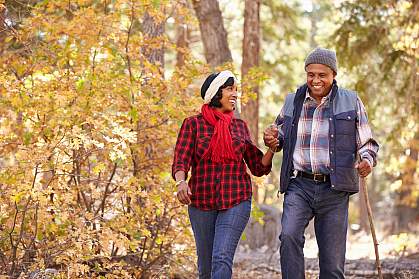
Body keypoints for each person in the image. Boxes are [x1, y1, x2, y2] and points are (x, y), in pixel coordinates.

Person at [264, 47, 379, 279]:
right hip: (300, 185)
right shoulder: (292, 101)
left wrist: (367, 160)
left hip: (334, 189)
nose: (315, 80)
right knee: (288, 236)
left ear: (333, 75)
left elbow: (367, 143)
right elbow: (280, 135)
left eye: (322, 75)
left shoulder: (351, 101)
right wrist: (272, 138)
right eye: (311, 74)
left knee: (332, 263)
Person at [172, 70, 276, 279]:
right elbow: (180, 159)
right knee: (206, 266)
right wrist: (181, 183)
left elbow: (257, 166)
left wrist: (272, 148)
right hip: (201, 202)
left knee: (221, 257)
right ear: (215, 94)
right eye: (230, 89)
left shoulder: (239, 126)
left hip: (236, 199)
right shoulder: (193, 124)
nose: (235, 94)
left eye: (236, 89)